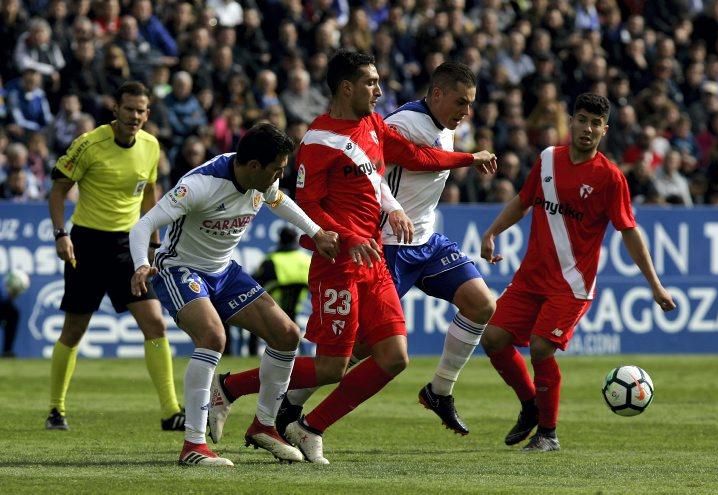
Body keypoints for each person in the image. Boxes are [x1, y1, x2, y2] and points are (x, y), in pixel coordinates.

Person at [207, 50, 497, 465]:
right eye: (371, 83)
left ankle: (309, 427)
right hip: (338, 263)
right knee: (332, 367)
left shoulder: (374, 125)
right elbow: (308, 204)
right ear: (347, 88)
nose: (379, 91)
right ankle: (230, 388)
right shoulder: (318, 141)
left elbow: (415, 158)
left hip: (374, 259)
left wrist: (464, 161)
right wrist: (345, 235)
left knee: (394, 358)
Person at [128, 122, 339, 467]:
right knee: (212, 336)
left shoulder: (262, 181)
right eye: (276, 169)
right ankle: (193, 445)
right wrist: (140, 264)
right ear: (254, 166)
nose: (279, 176)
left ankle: (265, 425)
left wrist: (316, 232)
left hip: (224, 271)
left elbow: (280, 201)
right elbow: (143, 225)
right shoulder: (200, 185)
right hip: (180, 269)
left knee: (287, 335)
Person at [479, 93, 676, 452]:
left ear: (605, 129)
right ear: (571, 121)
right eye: (582, 119)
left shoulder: (609, 178)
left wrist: (655, 285)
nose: (587, 128)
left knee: (540, 347)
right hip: (531, 277)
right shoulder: (547, 160)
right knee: (492, 339)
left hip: (571, 285)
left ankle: (548, 434)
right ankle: (530, 406)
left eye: (595, 123)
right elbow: (523, 201)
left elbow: (629, 232)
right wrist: (492, 232)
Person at [46, 81, 184, 432]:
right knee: (74, 330)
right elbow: (58, 190)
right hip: (87, 245)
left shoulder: (151, 146)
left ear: (147, 113)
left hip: (127, 247)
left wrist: (153, 243)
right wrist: (61, 234)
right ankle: (56, 409)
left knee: (154, 323)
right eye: (129, 109)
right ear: (115, 110)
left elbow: (149, 194)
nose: (135, 116)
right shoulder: (89, 144)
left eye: (141, 110)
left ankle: (171, 412)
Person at [248, 226, 312, 356]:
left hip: (273, 308)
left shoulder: (272, 260)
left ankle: (252, 354)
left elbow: (254, 284)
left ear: (280, 240)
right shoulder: (307, 259)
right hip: (297, 308)